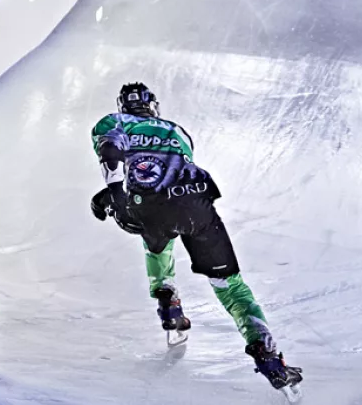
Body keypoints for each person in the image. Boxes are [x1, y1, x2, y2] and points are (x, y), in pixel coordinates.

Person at [89, 83, 303, 397]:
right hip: (195, 203)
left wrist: (116, 197)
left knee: (155, 236)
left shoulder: (114, 121)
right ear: (152, 105)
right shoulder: (176, 130)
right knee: (230, 286)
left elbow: (110, 152)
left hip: (147, 206)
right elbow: (175, 169)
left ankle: (167, 298)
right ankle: (267, 353)